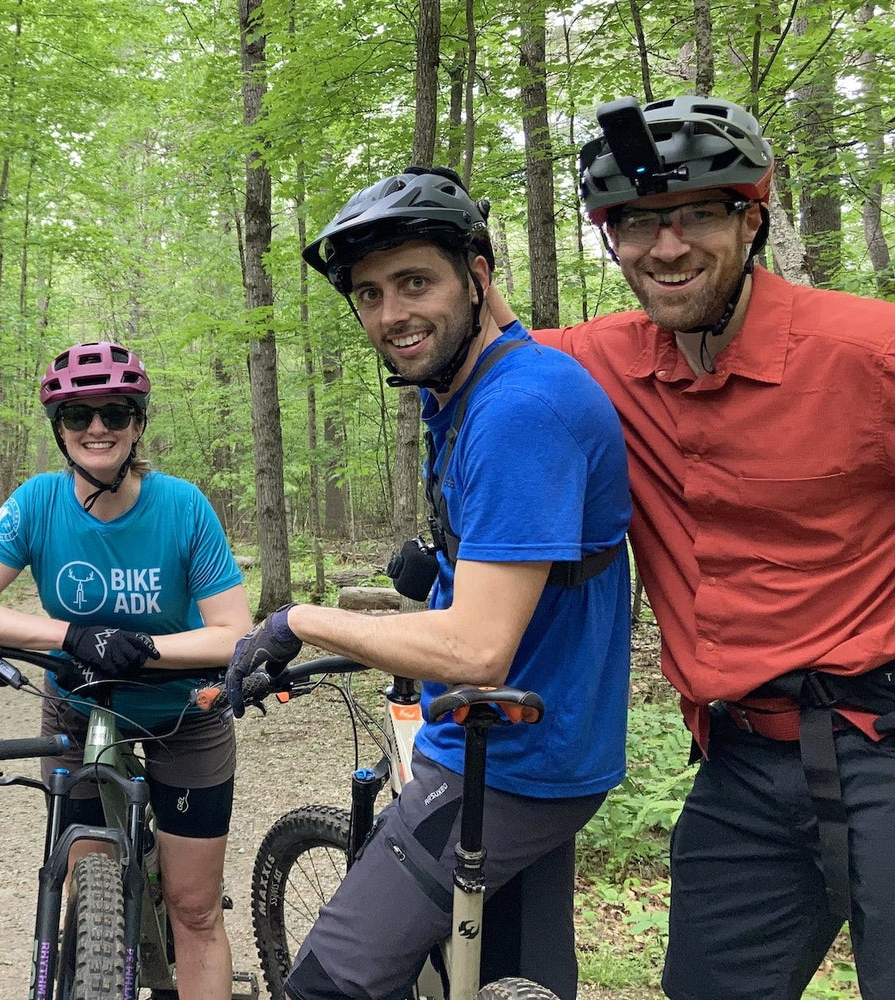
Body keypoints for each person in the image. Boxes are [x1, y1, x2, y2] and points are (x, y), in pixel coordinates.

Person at [483, 94, 895, 1000]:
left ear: (754, 217)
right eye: (637, 223)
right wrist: (442, 246)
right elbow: (489, 352)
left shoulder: (869, 353)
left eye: (698, 215)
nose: (666, 248)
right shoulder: (597, 364)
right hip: (741, 764)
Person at [225, 168, 632, 1000]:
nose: (390, 316)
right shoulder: (468, 382)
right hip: (548, 748)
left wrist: (301, 620)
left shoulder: (519, 408)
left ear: (477, 275)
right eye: (370, 294)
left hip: (511, 760)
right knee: (519, 978)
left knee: (324, 985)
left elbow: (478, 648)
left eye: (416, 282)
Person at [0, 341, 251, 1000]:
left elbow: (233, 632)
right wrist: (76, 635)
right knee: (91, 883)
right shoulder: (37, 503)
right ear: (60, 429)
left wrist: (145, 650)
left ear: (137, 425)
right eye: (78, 416)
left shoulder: (183, 506)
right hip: (79, 713)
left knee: (194, 909)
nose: (96, 428)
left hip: (184, 715)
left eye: (114, 412)